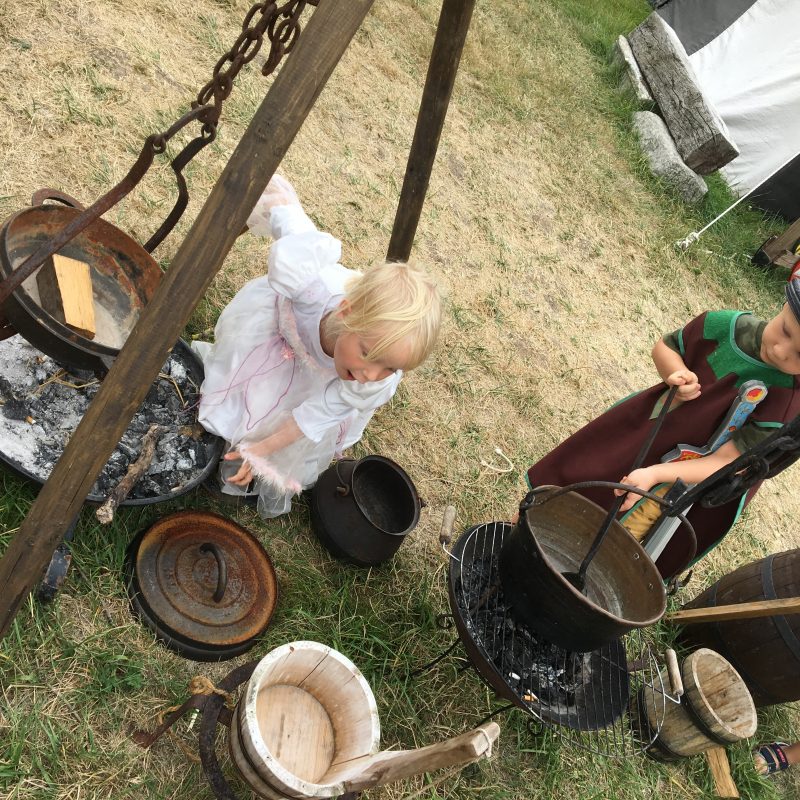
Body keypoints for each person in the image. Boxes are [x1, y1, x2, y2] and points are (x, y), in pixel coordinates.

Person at [194, 174, 442, 518]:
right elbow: (288, 217)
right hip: (279, 338)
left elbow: (313, 415)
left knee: (287, 412)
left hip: (318, 379)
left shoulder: (371, 380)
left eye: (391, 367)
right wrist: (268, 196)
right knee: (245, 386)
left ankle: (242, 447)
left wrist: (261, 450)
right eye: (369, 354)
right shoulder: (311, 283)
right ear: (346, 313)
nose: (371, 375)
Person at [526, 281, 800, 579]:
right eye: (785, 330)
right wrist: (674, 373)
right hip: (649, 431)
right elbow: (667, 346)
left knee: (620, 529)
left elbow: (726, 463)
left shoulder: (788, 402)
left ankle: (568, 575)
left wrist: (656, 474)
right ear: (783, 305)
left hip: (684, 481)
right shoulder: (723, 327)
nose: (780, 350)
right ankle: (523, 529)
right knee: (586, 476)